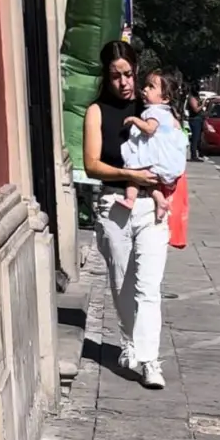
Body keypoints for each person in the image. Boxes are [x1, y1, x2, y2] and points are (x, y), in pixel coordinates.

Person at [82, 40, 170, 389]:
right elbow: (91, 165)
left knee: (148, 287)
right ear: (106, 76)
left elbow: (168, 143)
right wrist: (129, 175)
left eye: (129, 74)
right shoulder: (96, 111)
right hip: (114, 205)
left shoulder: (148, 106)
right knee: (121, 284)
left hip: (151, 205)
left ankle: (150, 361)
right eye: (116, 76)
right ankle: (130, 340)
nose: (124, 83)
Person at [120, 69, 188, 222]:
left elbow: (150, 129)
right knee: (150, 181)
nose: (145, 90)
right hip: (164, 158)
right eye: (145, 86)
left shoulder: (153, 112)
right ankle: (161, 201)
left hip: (153, 155)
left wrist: (134, 120)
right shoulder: (167, 113)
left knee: (133, 173)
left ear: (164, 98)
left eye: (151, 87)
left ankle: (130, 199)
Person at [186, 86, 204, 161]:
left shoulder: (196, 97)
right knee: (195, 138)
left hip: (199, 119)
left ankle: (199, 153)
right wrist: (202, 105)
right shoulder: (192, 98)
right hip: (194, 120)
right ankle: (193, 155)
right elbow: (196, 109)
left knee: (199, 138)